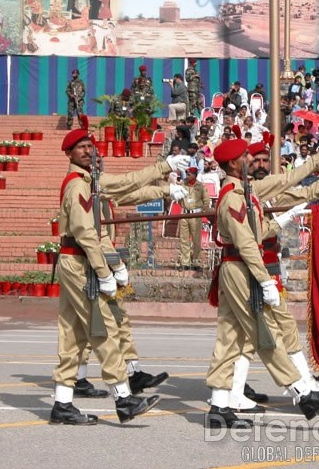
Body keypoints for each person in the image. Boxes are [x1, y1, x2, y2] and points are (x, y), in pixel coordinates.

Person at [50, 129, 190, 425]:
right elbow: (88, 234)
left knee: (73, 335)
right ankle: (123, 399)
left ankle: (62, 403)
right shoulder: (78, 186)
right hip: (80, 262)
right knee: (103, 330)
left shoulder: (89, 182)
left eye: (91, 146)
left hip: (80, 260)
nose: (89, 151)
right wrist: (105, 272)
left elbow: (128, 186)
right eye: (81, 147)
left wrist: (164, 177)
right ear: (69, 154)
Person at [205, 138, 319, 428]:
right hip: (242, 269)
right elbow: (245, 242)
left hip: (237, 268)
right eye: (245, 156)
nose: (251, 160)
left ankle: (219, 407)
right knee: (263, 333)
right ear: (232, 163)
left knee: (229, 339)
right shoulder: (233, 196)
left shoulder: (245, 190)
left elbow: (285, 183)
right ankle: (303, 393)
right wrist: (264, 279)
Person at [177, 167, 211, 271]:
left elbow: (206, 201)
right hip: (184, 214)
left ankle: (196, 262)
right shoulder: (183, 185)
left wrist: (201, 211)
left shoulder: (200, 186)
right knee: (184, 239)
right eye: (186, 174)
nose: (187, 176)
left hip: (195, 216)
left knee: (196, 240)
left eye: (189, 174)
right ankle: (185, 262)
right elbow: (179, 199)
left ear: (195, 175)